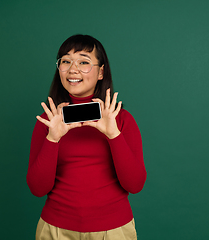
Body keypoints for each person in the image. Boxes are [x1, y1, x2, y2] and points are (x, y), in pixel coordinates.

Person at [27, 34, 147, 240]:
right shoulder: (49, 121)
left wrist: (113, 134)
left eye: (84, 62)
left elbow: (135, 185)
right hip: (56, 229)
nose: (73, 69)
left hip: (114, 230)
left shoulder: (122, 120)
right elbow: (37, 189)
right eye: (65, 61)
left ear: (101, 72)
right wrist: (52, 139)